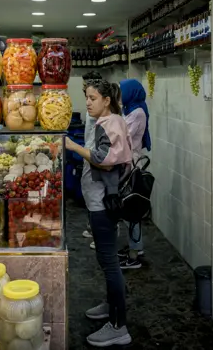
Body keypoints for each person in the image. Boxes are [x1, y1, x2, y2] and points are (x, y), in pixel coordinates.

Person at [66, 79, 133, 348]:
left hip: (105, 204)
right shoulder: (101, 122)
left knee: (109, 262)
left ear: (107, 100)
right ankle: (110, 304)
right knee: (105, 261)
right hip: (97, 201)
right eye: (87, 98)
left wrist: (73, 147)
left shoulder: (112, 122)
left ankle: (119, 326)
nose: (89, 102)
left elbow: (105, 161)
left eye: (93, 98)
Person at [117, 78, 151, 269]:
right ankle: (135, 246)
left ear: (131, 92)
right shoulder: (130, 108)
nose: (120, 96)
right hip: (128, 162)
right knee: (129, 208)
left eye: (122, 92)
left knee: (132, 209)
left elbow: (124, 136)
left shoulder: (137, 112)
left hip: (132, 164)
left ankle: (134, 255)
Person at [80, 71, 102, 246]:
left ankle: (101, 235)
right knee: (89, 192)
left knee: (97, 197)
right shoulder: (92, 107)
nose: (88, 101)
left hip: (95, 154)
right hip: (89, 150)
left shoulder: (102, 112)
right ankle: (93, 228)